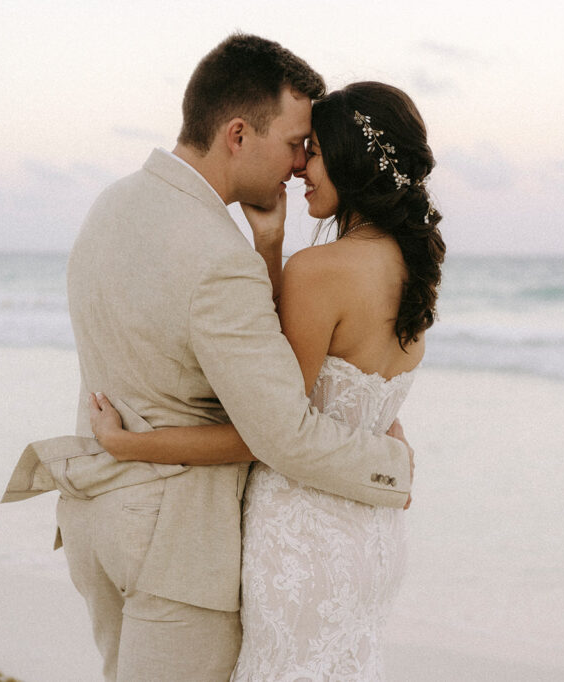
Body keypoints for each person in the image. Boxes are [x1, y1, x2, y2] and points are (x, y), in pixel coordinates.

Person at [0, 36, 415, 681]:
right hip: (173, 544)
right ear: (238, 133)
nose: (300, 163)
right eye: (294, 142)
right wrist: (388, 464)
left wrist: (270, 244)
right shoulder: (219, 258)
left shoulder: (113, 204)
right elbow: (280, 431)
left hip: (94, 523)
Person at [89, 81, 445, 680]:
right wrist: (272, 243)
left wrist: (129, 443)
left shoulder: (319, 271)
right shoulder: (412, 271)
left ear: (352, 162)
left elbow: (268, 430)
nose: (302, 165)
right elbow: (360, 399)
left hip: (301, 538)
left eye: (316, 151)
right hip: (374, 541)